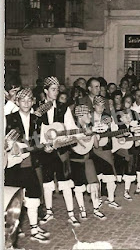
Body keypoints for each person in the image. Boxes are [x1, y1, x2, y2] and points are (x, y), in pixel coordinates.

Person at [5, 88, 50, 243]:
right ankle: (12, 232)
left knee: (33, 197)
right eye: (22, 100)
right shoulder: (8, 118)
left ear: (33, 102)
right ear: (17, 102)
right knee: (12, 200)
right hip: (13, 165)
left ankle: (34, 228)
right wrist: (12, 145)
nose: (26, 103)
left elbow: (41, 141)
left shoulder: (37, 120)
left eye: (29, 100)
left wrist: (47, 146)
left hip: (30, 162)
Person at [36, 76, 80, 226]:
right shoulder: (39, 109)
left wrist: (64, 140)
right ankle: (48, 212)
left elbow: (71, 130)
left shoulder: (63, 108)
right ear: (45, 91)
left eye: (57, 89)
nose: (56, 92)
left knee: (65, 181)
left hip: (61, 151)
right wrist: (43, 145)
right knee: (47, 182)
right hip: (45, 151)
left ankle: (71, 213)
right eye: (53, 89)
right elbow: (35, 130)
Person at [69, 104, 106, 220]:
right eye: (87, 114)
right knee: (79, 186)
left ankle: (96, 209)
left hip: (88, 159)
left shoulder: (92, 127)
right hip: (76, 160)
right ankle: (82, 210)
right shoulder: (72, 129)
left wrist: (95, 134)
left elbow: (96, 145)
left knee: (94, 184)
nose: (90, 115)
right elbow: (73, 145)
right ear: (80, 116)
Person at [90, 96, 121, 210]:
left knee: (110, 176)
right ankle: (97, 199)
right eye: (98, 105)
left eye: (103, 105)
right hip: (94, 150)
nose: (101, 108)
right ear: (94, 106)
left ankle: (111, 199)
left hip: (106, 149)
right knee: (97, 176)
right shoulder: (89, 118)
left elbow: (115, 129)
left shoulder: (108, 117)